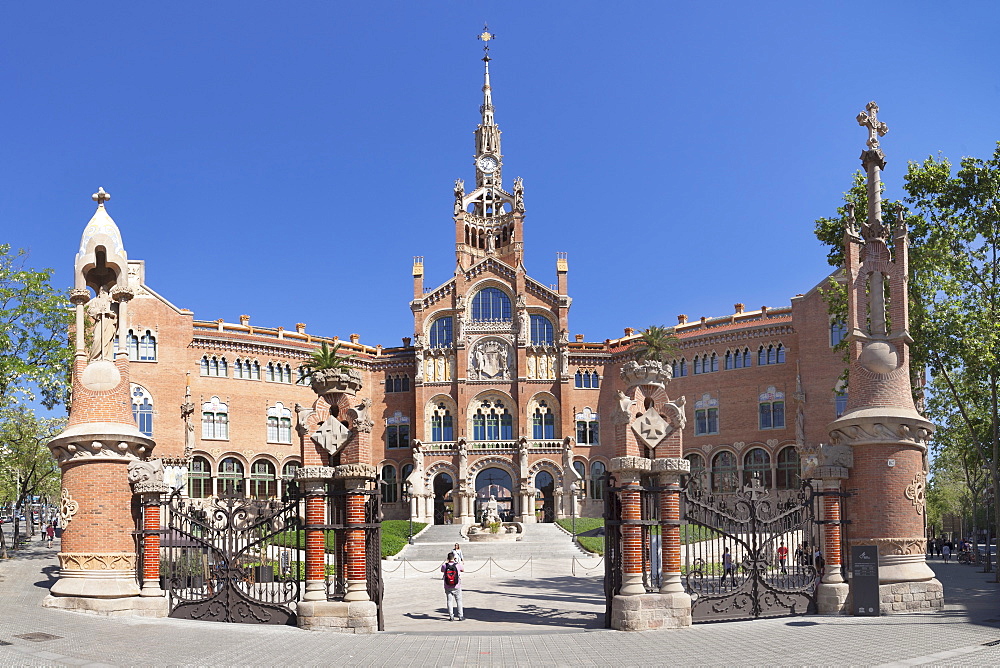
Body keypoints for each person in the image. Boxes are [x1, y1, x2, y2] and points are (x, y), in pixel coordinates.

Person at [441, 551, 464, 621]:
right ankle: (460, 616)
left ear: (447, 558)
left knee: (449, 601)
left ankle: (451, 616)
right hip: (457, 585)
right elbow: (463, 569)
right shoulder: (457, 565)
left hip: (447, 585)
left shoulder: (445, 565)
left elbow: (442, 570)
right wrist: (457, 562)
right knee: (459, 600)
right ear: (454, 558)